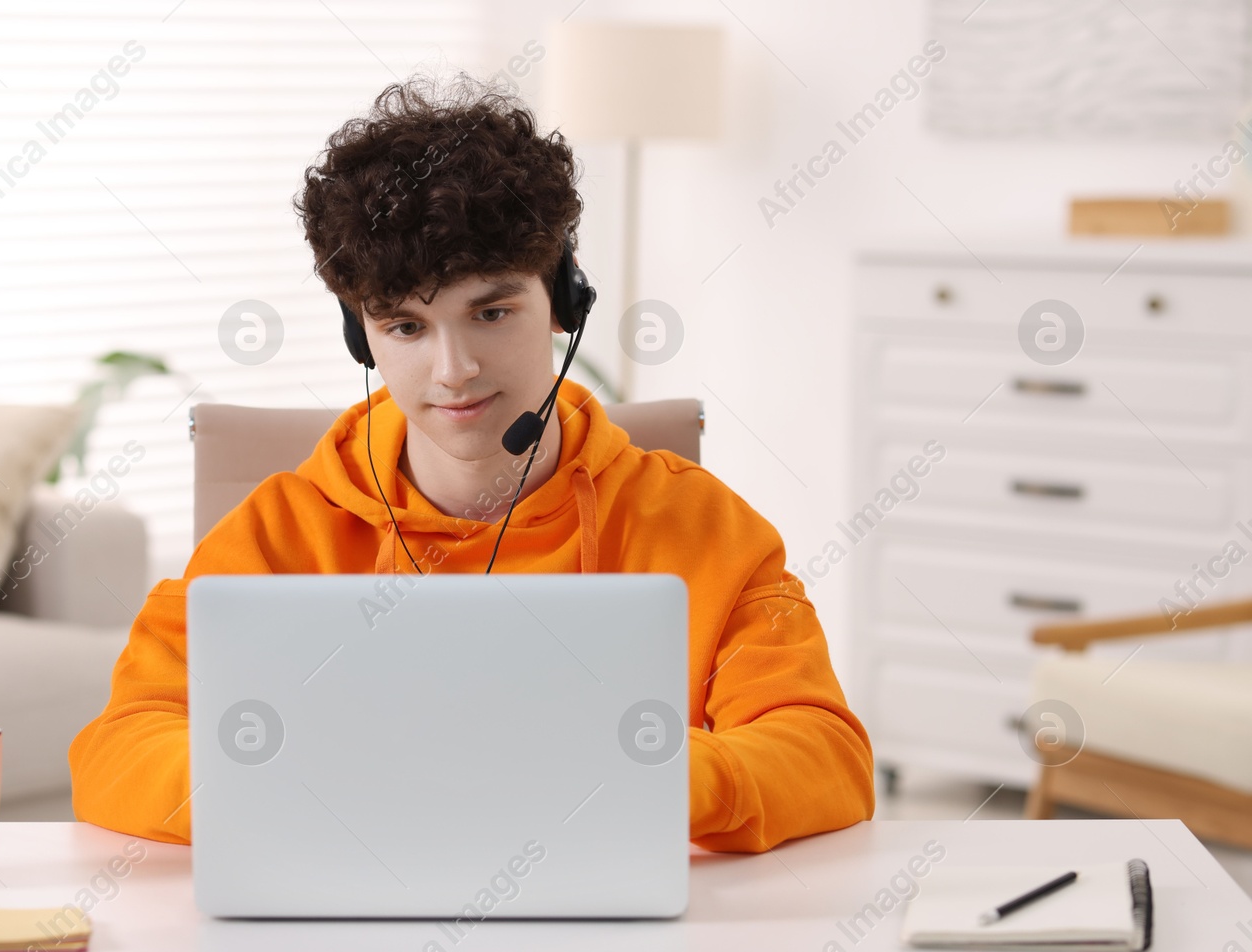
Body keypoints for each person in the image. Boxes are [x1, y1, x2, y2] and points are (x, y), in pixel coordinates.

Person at [68, 74, 874, 853]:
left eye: (491, 312)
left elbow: (826, 754)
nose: (452, 369)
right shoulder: (281, 532)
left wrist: (641, 778)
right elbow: (119, 745)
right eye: (406, 327)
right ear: (362, 334)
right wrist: (305, 784)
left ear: (562, 302)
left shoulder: (701, 528)